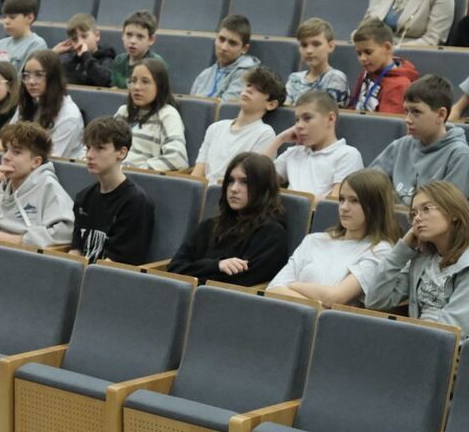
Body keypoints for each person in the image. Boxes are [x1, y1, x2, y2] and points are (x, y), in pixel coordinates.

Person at [367, 181, 469, 334]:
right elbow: (375, 301)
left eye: (426, 209)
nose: (417, 218)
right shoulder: (424, 257)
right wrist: (402, 250)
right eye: (413, 213)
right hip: (425, 339)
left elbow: (451, 330)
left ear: (453, 213)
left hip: (461, 349)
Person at [267, 168, 401, 306]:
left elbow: (334, 298)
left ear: (375, 206)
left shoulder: (380, 250)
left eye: (354, 201)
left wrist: (293, 285)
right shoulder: (314, 240)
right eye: (342, 199)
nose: (344, 207)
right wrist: (317, 306)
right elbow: (273, 288)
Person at [168, 152, 290, 285]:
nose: (233, 189)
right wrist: (216, 265)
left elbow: (238, 283)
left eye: (244, 182)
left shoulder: (272, 234)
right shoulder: (209, 226)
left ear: (262, 187)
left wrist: (196, 273)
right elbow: (175, 268)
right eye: (230, 181)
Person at [371, 75, 469, 204]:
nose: (408, 119)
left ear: (441, 115)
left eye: (416, 112)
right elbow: (368, 184)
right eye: (406, 111)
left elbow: (446, 210)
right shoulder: (402, 145)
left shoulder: (459, 155)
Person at [70, 117, 156, 264]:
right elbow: (76, 250)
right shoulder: (83, 198)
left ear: (121, 153)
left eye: (100, 148)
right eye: (88, 147)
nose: (89, 155)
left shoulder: (135, 202)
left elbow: (119, 262)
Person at [264, 91, 365, 200]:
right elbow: (258, 179)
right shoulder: (294, 152)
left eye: (307, 118)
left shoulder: (347, 154)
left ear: (330, 118)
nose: (299, 126)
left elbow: (334, 204)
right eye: (297, 120)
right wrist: (280, 139)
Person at [192, 66, 285, 184]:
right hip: (205, 192)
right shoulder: (215, 128)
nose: (249, 90)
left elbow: (251, 179)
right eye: (249, 85)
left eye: (259, 89)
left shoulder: (265, 133)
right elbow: (198, 172)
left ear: (271, 104)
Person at [9, 50, 86, 159]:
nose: (31, 81)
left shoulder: (69, 116)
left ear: (53, 78)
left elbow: (49, 159)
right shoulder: (30, 102)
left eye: (38, 75)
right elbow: (9, 139)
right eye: (26, 75)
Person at [115, 59, 189, 172]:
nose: (136, 87)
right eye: (133, 81)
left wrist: (138, 170)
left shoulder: (167, 115)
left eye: (145, 82)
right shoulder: (123, 112)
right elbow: (103, 143)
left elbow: (178, 159)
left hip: (141, 179)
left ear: (159, 86)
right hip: (114, 174)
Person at [349, 19, 421, 113]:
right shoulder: (366, 73)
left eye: (368, 52)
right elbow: (352, 106)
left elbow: (386, 125)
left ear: (387, 48)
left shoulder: (400, 85)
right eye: (359, 53)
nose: (362, 58)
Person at [191, 14, 261, 100]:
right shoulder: (203, 76)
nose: (224, 47)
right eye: (221, 39)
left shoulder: (248, 75)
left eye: (232, 43)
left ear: (244, 49)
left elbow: (226, 108)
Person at [287, 18, 352, 105]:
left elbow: (322, 113)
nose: (309, 51)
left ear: (331, 46)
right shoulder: (294, 79)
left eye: (316, 44)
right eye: (304, 45)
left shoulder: (335, 78)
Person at [0, 0, 46, 73]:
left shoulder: (36, 44)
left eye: (12, 17)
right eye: (4, 17)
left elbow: (26, 78)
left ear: (29, 18)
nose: (6, 21)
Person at [56, 13, 115, 86]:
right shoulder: (70, 61)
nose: (80, 43)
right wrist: (53, 53)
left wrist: (86, 55)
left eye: (84, 36)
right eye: (75, 40)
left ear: (97, 36)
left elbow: (104, 81)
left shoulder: (107, 60)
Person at [110, 11, 164, 89]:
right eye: (129, 35)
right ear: (122, 35)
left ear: (151, 39)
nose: (133, 41)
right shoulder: (119, 60)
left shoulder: (157, 63)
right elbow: (113, 89)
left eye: (140, 36)